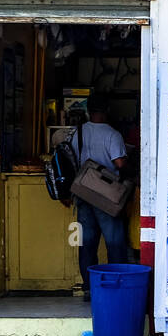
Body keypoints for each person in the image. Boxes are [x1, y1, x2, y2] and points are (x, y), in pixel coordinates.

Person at [70, 93, 130, 302]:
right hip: (105, 195)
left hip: (83, 192)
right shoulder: (112, 134)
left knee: (87, 243)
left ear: (89, 111)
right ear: (108, 111)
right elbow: (120, 164)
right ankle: (117, 284)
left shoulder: (77, 133)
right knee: (115, 242)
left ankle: (89, 287)